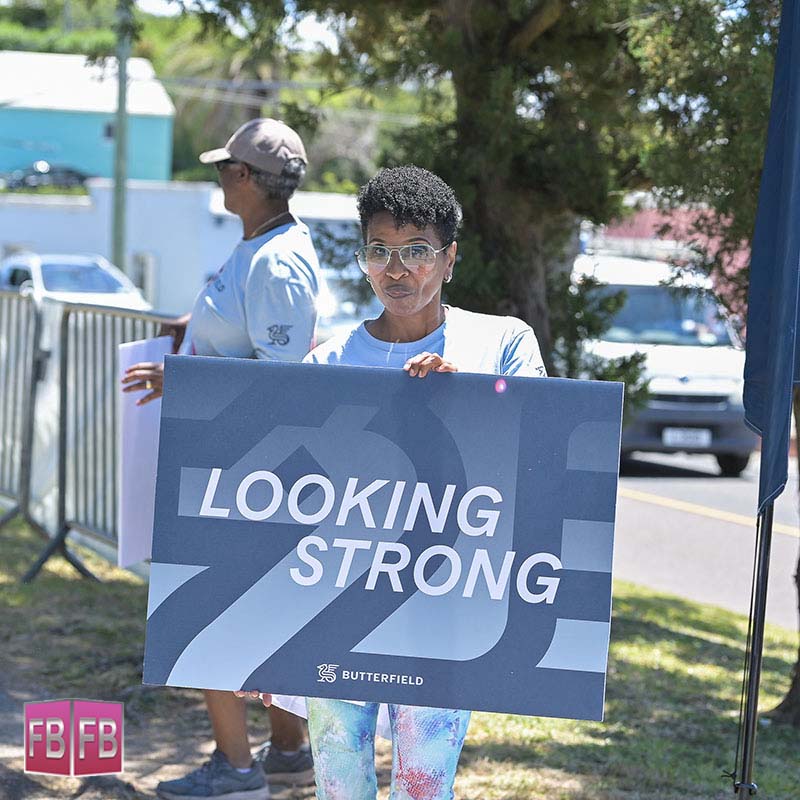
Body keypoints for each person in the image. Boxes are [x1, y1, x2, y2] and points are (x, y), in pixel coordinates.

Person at [238, 164, 547, 800]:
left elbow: (542, 455)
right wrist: (259, 636)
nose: (396, 269)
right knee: (340, 782)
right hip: (336, 606)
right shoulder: (329, 364)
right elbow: (286, 508)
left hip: (446, 608)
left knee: (423, 786)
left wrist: (469, 401)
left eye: (416, 251)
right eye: (379, 250)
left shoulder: (501, 343)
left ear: (450, 259)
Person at [122, 118, 319, 800]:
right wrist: (194, 330)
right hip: (240, 463)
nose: (218, 179)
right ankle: (289, 753)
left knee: (204, 608)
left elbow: (283, 379)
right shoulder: (264, 245)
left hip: (245, 469)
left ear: (243, 178)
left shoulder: (277, 260)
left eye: (222, 169)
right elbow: (249, 334)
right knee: (257, 613)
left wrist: (184, 376)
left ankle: (236, 770)